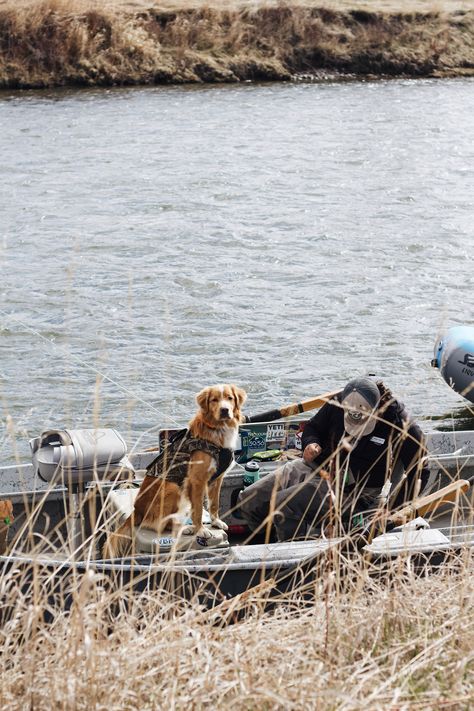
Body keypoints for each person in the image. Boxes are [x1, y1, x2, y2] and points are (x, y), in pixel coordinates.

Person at [238, 377, 431, 541]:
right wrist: (309, 444)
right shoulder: (337, 402)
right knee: (249, 499)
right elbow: (313, 427)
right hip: (316, 467)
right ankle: (264, 548)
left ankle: (291, 556)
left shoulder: (400, 421)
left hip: (355, 492)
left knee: (283, 503)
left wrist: (392, 509)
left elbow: (421, 467)